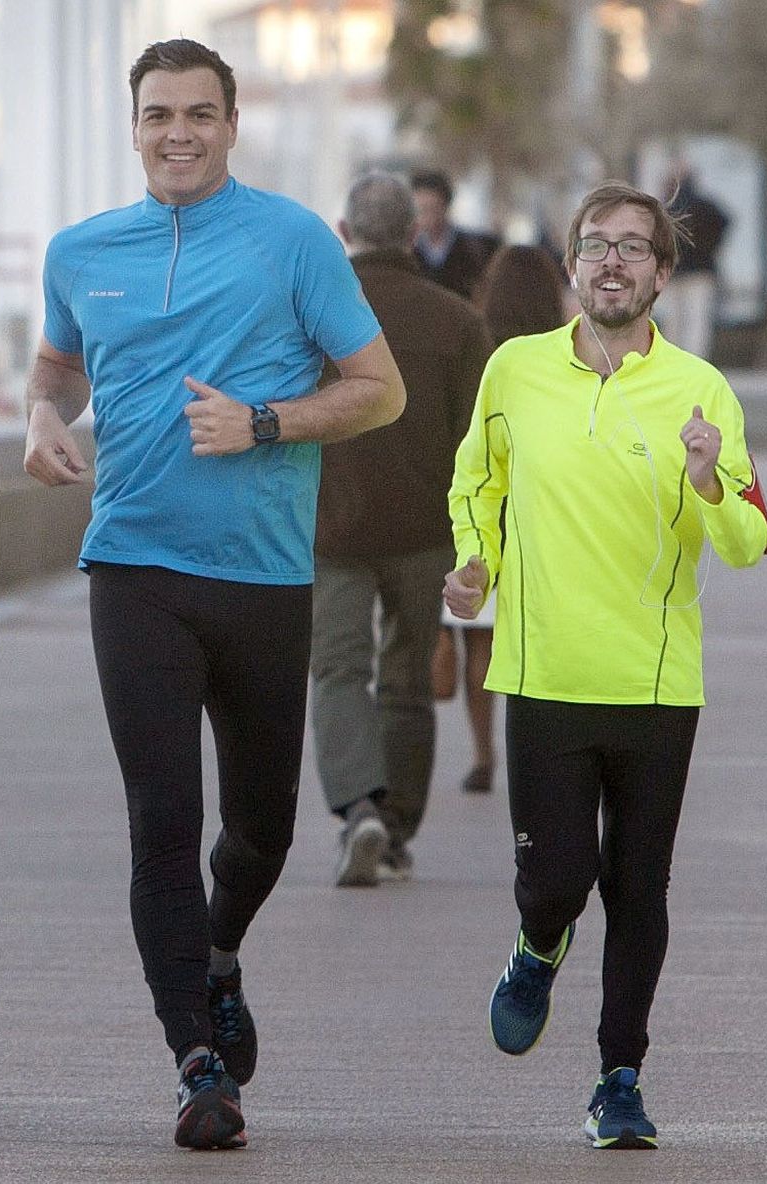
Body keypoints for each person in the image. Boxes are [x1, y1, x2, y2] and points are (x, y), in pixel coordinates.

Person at [23, 39, 404, 1151]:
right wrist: (41, 416)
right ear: (131, 127)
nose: (177, 133)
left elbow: (375, 390)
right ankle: (196, 1061)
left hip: (264, 575)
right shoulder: (80, 250)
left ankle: (222, 948)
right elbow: (55, 368)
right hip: (134, 567)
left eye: (198, 113)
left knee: (263, 828)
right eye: (157, 116)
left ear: (232, 122)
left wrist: (266, 421)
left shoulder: (292, 240)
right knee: (160, 823)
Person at [444, 181, 767, 1150]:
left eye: (634, 248)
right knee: (556, 879)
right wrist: (475, 563)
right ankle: (537, 942)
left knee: (638, 887)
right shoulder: (513, 371)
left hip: (655, 683)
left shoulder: (702, 390)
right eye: (595, 245)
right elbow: (478, 481)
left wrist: (712, 478)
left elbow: (751, 537)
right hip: (543, 670)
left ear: (663, 275)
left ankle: (617, 1079)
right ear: (572, 264)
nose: (613, 262)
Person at [311, 171, 491, 887]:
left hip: (331, 528)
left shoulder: (316, 315)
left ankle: (360, 809)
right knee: (409, 679)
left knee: (337, 670)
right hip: (427, 530)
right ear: (414, 233)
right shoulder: (457, 321)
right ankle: (399, 828)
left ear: (347, 233)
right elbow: (479, 436)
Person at [438, 244, 568, 797]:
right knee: (535, 644)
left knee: (480, 647)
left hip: (483, 513)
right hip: (543, 516)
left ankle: (485, 751)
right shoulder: (558, 359)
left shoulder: (477, 348)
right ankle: (531, 749)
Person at [658, 163, 730, 359]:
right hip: (701, 271)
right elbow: (725, 221)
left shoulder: (665, 210)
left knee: (674, 321)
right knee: (697, 322)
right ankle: (696, 362)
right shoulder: (705, 206)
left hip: (674, 272)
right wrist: (712, 247)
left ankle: (674, 361)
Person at [408, 168, 500, 300]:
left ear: (445, 205)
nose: (426, 216)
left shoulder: (477, 249)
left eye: (432, 208)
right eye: (421, 209)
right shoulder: (409, 252)